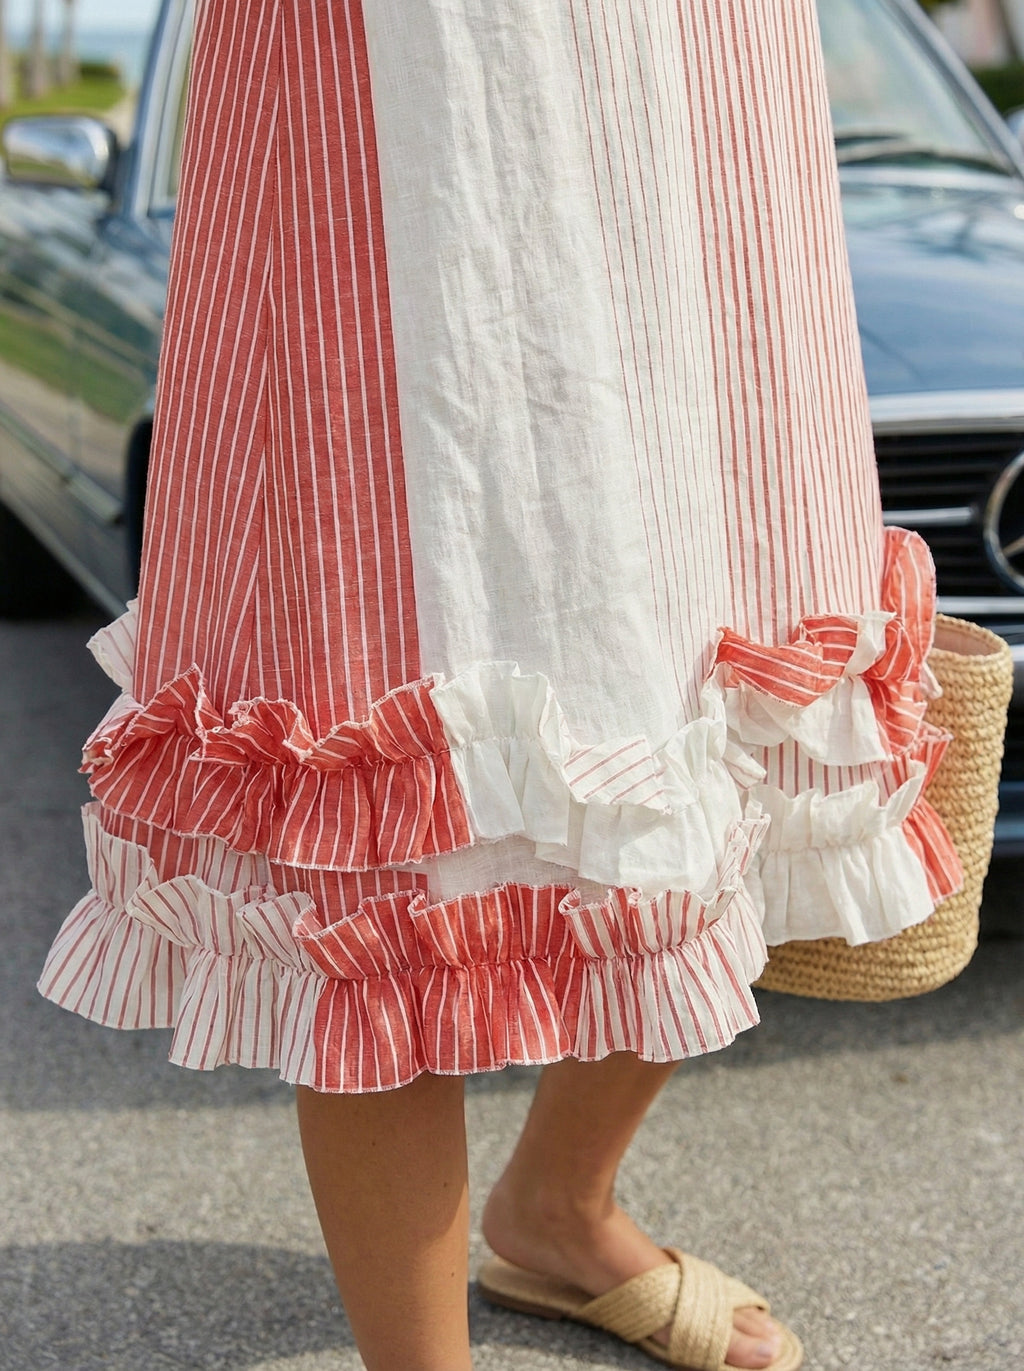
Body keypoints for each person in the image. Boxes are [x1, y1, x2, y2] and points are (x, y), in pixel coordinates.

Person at [38, 2, 961, 1368]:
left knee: (711, 666)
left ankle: (560, 1208)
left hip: (688, 64)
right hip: (414, 73)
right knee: (379, 715)